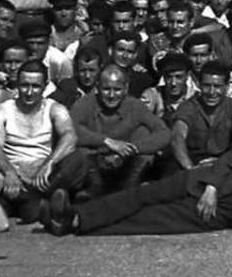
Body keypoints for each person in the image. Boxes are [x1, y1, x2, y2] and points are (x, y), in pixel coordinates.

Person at [42, 110, 232, 236]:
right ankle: (73, 213)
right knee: (144, 194)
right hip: (210, 181)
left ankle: (75, 224)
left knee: (154, 220)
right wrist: (211, 186)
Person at [0, 60, 90, 222]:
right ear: (17, 85)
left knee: (79, 156)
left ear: (45, 86)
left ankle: (33, 201)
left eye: (35, 86)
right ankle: (39, 203)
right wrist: (9, 172)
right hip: (14, 172)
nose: (29, 92)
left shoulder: (55, 108)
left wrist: (49, 164)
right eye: (24, 85)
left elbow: (70, 136)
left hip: (44, 174)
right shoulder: (2, 110)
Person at [68, 64, 170, 198]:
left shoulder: (135, 106)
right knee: (78, 151)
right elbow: (69, 129)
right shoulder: (85, 103)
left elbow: (163, 133)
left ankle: (127, 190)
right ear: (97, 87)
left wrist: (132, 148)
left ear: (126, 88)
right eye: (106, 89)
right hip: (93, 164)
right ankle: (91, 190)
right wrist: (107, 142)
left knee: (144, 132)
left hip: (125, 165)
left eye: (117, 90)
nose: (111, 95)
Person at [168, 61, 232, 170]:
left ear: (227, 86)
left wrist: (230, 161)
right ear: (199, 85)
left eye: (218, 86)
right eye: (206, 86)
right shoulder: (188, 106)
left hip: (227, 162)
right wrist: (190, 168)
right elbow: (177, 136)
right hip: (193, 162)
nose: (212, 92)